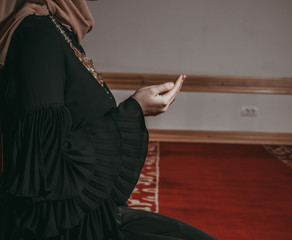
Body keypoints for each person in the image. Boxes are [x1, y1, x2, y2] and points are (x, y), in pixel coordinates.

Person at [0, 0, 218, 239]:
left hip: (94, 214)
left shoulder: (56, 29)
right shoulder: (35, 34)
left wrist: (137, 108)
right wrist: (134, 109)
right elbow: (46, 165)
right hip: (68, 227)